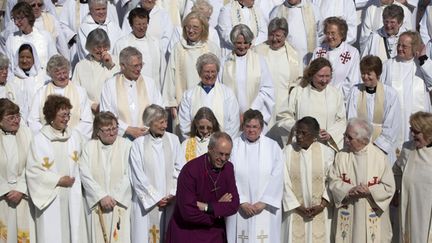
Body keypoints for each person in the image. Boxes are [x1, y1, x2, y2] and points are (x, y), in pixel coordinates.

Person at [26, 95, 88, 243]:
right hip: (51, 197)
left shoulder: (75, 137)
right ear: (51, 115)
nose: (66, 119)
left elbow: (85, 162)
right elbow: (33, 171)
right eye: (62, 115)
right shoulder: (39, 140)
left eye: (68, 114)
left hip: (73, 195)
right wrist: (58, 180)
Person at [328, 118, 395, 243]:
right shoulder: (341, 156)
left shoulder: (380, 157)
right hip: (349, 213)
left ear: (363, 140)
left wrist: (370, 191)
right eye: (345, 135)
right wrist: (348, 190)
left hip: (372, 214)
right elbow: (332, 181)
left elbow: (389, 187)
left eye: (349, 137)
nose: (345, 139)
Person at [165, 131, 240, 243]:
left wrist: (207, 207)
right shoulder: (190, 170)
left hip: (214, 233)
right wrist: (218, 211)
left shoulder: (228, 168)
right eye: (220, 154)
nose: (223, 159)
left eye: (227, 155)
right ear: (210, 149)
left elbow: (234, 205)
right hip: (187, 232)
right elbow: (187, 212)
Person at [129, 104, 185, 243]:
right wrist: (155, 198)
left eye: (166, 121)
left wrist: (172, 193)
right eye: (161, 122)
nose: (165, 125)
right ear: (150, 122)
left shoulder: (173, 140)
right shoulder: (138, 144)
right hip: (147, 205)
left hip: (170, 201)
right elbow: (137, 175)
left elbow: (180, 169)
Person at [226, 109, 283, 243]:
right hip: (239, 207)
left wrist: (264, 202)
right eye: (248, 126)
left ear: (261, 127)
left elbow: (278, 176)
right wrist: (241, 201)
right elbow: (228, 175)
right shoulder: (234, 146)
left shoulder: (273, 147)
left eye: (255, 126)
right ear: (243, 126)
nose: (251, 130)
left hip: (266, 208)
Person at [79, 111, 132, 243]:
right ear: (98, 131)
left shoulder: (127, 145)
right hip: (98, 205)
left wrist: (114, 197)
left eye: (114, 128)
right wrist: (101, 196)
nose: (112, 132)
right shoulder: (89, 147)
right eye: (107, 129)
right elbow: (84, 174)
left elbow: (129, 173)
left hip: (119, 204)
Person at [281, 116, 334, 243]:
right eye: (297, 132)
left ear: (315, 135)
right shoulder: (287, 152)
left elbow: (332, 181)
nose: (299, 136)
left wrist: (322, 205)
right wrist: (297, 206)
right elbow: (283, 182)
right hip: (294, 212)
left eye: (303, 133)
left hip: (320, 211)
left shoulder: (327, 153)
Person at [277, 57, 346, 151]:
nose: (324, 80)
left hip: (326, 148)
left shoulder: (335, 94)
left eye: (328, 76)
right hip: (302, 147)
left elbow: (341, 120)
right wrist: (299, 129)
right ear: (312, 75)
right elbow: (283, 117)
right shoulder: (298, 92)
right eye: (321, 76)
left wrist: (331, 134)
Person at [380, 30, 432, 150]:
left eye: (404, 46)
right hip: (395, 120)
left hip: (418, 121)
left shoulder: (421, 64)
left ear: (414, 48)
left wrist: (423, 59)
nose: (400, 48)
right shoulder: (388, 65)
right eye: (399, 44)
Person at [254, 17, 302, 146]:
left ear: (285, 35)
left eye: (278, 35)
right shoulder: (257, 51)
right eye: (271, 35)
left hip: (283, 104)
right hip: (263, 104)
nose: (274, 39)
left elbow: (298, 82)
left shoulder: (294, 55)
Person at [163, 11, 220, 115]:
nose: (190, 30)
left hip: (208, 102)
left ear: (203, 28)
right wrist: (172, 103)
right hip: (183, 103)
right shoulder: (178, 48)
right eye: (187, 27)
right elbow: (170, 75)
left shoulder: (212, 48)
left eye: (195, 27)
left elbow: (219, 77)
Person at [347, 55, 401, 164]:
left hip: (381, 146)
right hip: (359, 143)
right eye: (363, 73)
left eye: (369, 74)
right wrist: (359, 142)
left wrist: (377, 146)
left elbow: (392, 124)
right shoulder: (355, 91)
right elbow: (351, 118)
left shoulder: (390, 94)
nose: (365, 77)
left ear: (378, 74)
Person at [100, 46, 163, 140]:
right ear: (123, 66)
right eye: (135, 66)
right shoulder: (110, 85)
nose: (139, 69)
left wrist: (148, 129)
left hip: (147, 137)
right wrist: (127, 129)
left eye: (140, 65)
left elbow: (159, 110)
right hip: (121, 138)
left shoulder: (150, 83)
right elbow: (106, 114)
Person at [220, 24, 274, 128]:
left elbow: (266, 90)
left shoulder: (260, 61)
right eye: (238, 43)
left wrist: (250, 114)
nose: (242, 46)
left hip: (254, 115)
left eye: (245, 43)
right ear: (233, 42)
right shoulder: (224, 62)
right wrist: (234, 115)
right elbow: (220, 90)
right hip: (230, 118)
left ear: (250, 43)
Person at [27, 54, 93, 139]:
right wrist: (48, 134)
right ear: (50, 74)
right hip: (48, 140)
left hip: (74, 139)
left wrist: (69, 134)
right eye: (58, 73)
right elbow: (33, 120)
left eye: (64, 72)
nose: (62, 76)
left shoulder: (80, 92)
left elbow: (87, 121)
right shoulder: (41, 93)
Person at [178, 53, 240, 141]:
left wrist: (223, 143)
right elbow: (185, 123)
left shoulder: (227, 94)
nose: (210, 75)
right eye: (207, 72)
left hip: (220, 147)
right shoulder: (189, 95)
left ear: (217, 72)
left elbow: (233, 123)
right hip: (196, 145)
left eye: (213, 71)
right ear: (199, 73)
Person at [393, 111, 432, 243]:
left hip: (427, 209)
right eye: (411, 130)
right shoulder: (407, 148)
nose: (412, 135)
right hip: (408, 205)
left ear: (428, 133)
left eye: (416, 132)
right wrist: (395, 193)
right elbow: (397, 171)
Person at [0, 98, 35, 243]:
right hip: (2, 197)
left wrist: (20, 189)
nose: (16, 121)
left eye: (18, 116)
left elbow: (34, 164)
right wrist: (5, 188)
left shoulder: (27, 133)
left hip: (23, 197)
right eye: (11, 117)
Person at [113, 7, 165, 91]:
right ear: (131, 24)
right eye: (138, 24)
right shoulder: (121, 44)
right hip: (129, 91)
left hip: (152, 90)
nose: (142, 27)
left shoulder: (156, 43)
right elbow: (116, 70)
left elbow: (162, 71)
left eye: (144, 24)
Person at [311, 17, 361, 100]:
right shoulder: (318, 51)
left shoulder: (352, 53)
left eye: (333, 33)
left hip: (341, 100)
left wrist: (335, 97)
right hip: (318, 98)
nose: (330, 36)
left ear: (342, 34)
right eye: (327, 33)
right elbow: (311, 75)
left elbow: (352, 81)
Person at [73, 28, 118, 114]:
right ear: (90, 47)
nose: (101, 50)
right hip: (91, 112)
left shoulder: (116, 61)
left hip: (113, 111)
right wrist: (92, 105)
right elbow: (76, 92)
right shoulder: (81, 66)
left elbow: (121, 83)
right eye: (98, 47)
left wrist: (110, 64)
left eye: (104, 46)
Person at [269, 0, 322, 68]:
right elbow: (271, 37)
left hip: (310, 61)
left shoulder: (313, 9)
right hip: (286, 62)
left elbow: (322, 34)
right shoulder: (277, 11)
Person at [5, 2, 56, 71]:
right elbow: (9, 65)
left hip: (42, 79)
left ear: (29, 17)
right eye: (14, 19)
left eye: (19, 18)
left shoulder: (45, 36)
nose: (16, 22)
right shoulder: (11, 39)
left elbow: (54, 60)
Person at [11, 43, 48, 121]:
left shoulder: (43, 76)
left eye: (28, 57)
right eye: (21, 57)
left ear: (34, 58)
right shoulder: (12, 78)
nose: (24, 60)